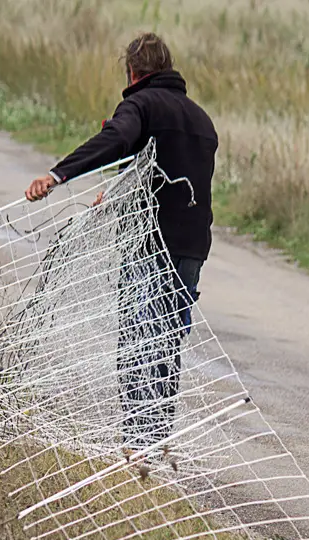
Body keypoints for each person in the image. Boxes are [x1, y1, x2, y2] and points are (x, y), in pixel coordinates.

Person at [26, 33, 218, 449]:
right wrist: (115, 192)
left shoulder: (141, 104)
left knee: (136, 343)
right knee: (165, 343)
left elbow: (117, 139)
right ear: (167, 68)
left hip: (149, 245)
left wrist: (58, 174)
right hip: (191, 249)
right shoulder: (202, 120)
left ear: (133, 72)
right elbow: (163, 168)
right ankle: (157, 443)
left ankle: (135, 447)